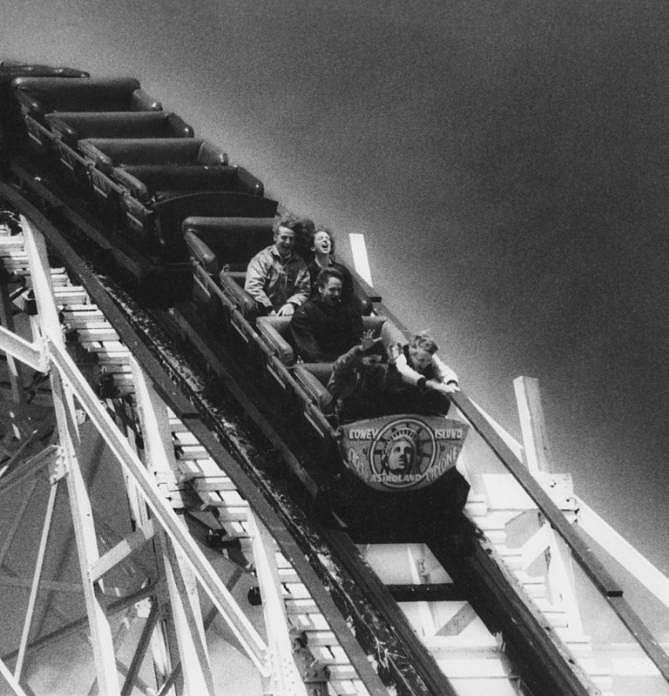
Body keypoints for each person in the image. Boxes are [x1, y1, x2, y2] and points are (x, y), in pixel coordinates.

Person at [290, 267, 363, 362]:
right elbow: (310, 352)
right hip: (321, 367)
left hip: (347, 364)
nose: (336, 294)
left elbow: (357, 340)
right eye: (332, 290)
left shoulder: (348, 312)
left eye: (339, 290)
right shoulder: (304, 314)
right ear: (320, 289)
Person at [244, 216, 310, 316]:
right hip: (262, 313)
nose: (288, 242)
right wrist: (269, 309)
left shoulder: (300, 263)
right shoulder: (262, 259)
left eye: (291, 239)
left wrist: (291, 304)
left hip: (288, 315)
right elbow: (253, 286)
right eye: (284, 238)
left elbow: (304, 290)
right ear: (275, 237)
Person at [386, 332, 459, 414]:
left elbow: (443, 369)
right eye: (421, 360)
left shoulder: (427, 355)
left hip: (412, 396)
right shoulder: (400, 354)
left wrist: (452, 383)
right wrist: (433, 385)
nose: (425, 364)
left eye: (428, 361)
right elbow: (403, 370)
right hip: (392, 397)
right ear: (411, 354)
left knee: (442, 401)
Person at [306, 226, 355, 306]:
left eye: (327, 239)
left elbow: (348, 297)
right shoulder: (307, 271)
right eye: (320, 238)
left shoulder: (342, 270)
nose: (325, 240)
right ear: (312, 247)